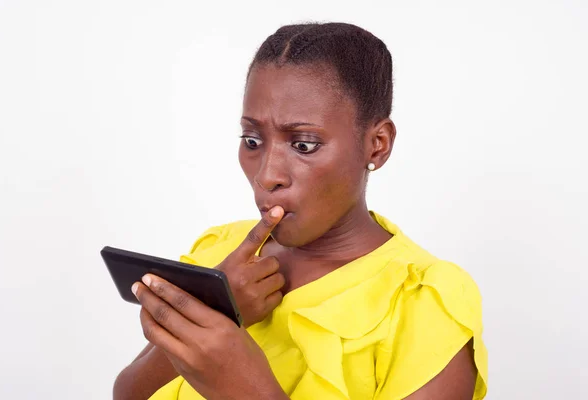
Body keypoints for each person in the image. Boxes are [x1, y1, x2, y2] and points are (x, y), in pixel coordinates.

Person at [113, 22, 488, 400]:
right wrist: (218, 309)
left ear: (377, 144)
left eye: (304, 145)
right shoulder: (219, 254)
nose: (267, 174)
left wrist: (241, 386)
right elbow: (127, 394)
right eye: (252, 140)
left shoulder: (423, 300)